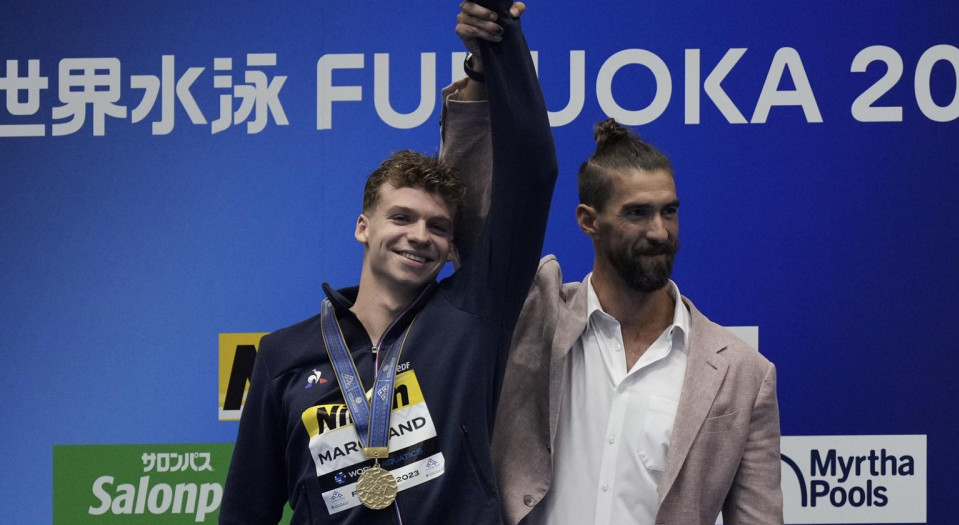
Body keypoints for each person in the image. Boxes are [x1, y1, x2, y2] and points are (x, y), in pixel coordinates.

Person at [220, 1, 557, 523]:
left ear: (449, 247)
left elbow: (533, 171)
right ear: (364, 227)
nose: (419, 236)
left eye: (438, 227)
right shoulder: (283, 354)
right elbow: (247, 511)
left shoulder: (474, 315)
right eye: (401, 217)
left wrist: (500, 44)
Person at [450, 4, 783, 524]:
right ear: (589, 220)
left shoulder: (742, 374)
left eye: (669, 211)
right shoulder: (532, 316)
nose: (659, 232)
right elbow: (470, 217)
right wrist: (481, 73)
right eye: (637, 213)